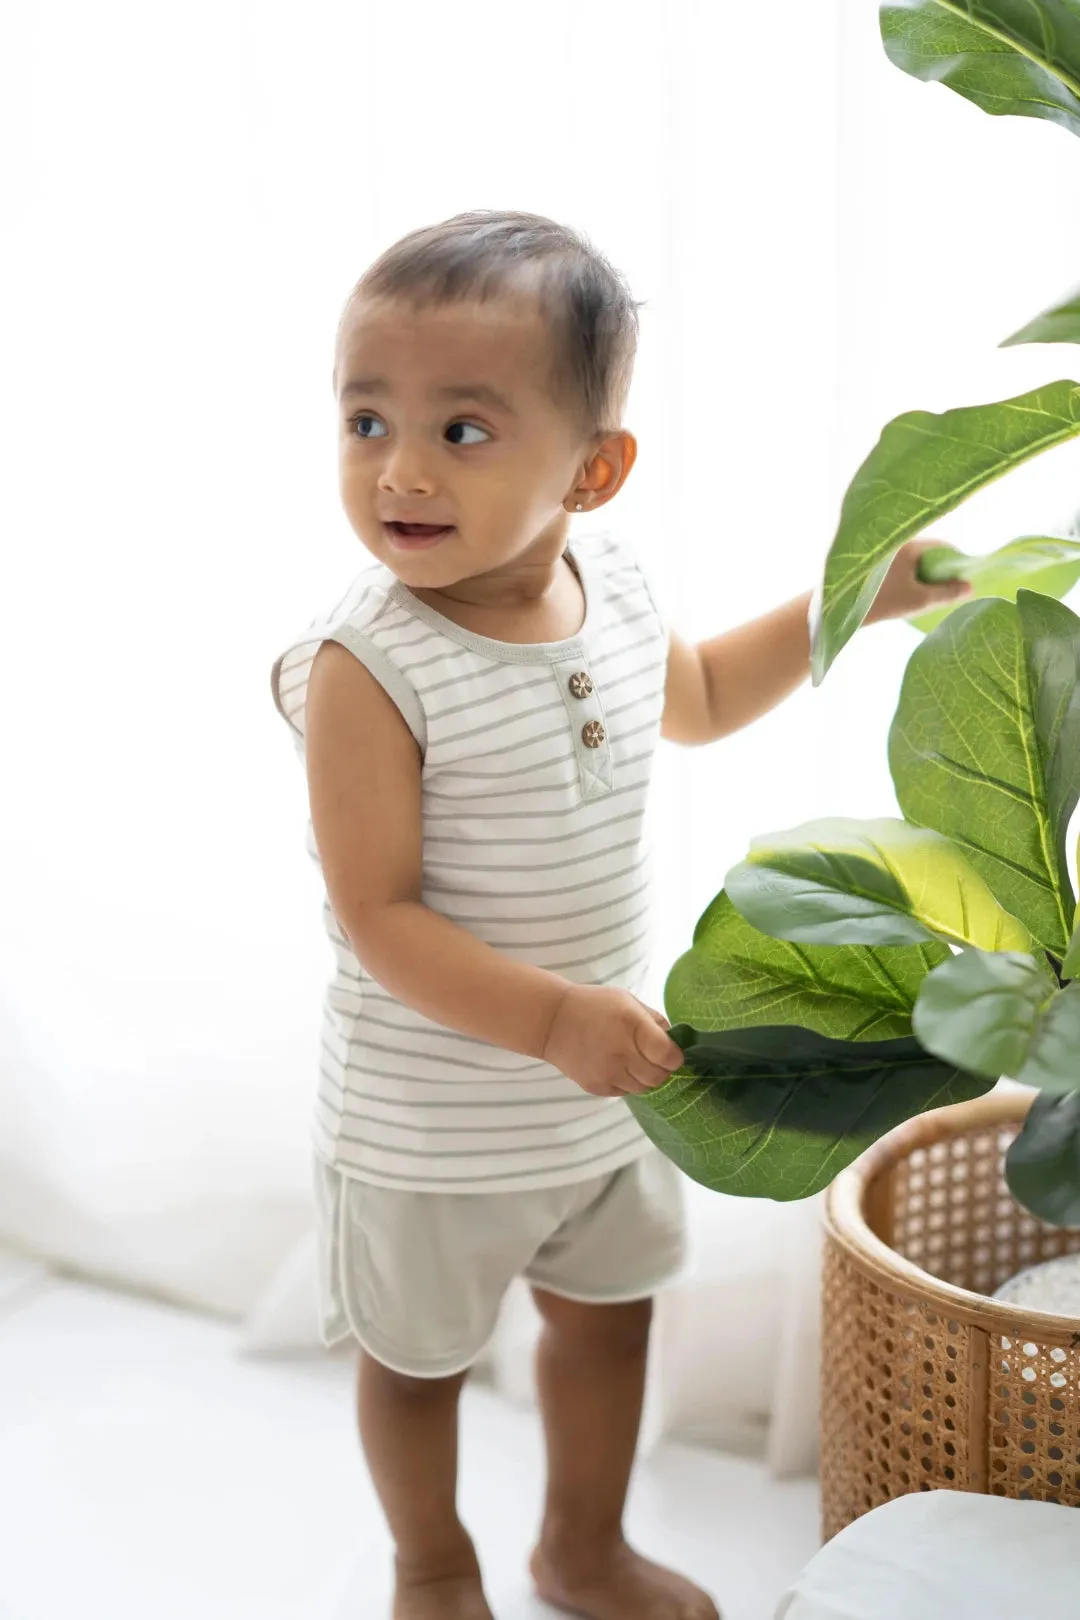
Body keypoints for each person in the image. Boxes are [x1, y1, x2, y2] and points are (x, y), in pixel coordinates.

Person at [271, 210, 967, 1620]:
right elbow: (380, 914)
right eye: (364, 418)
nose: (397, 468)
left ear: (592, 468)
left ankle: (580, 1548)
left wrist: (858, 603)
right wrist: (550, 1020)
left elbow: (700, 695)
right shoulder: (367, 666)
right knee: (414, 1360)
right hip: (433, 1115)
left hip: (600, 1086)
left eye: (461, 429)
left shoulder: (616, 586)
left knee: (604, 1326)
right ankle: (431, 1564)